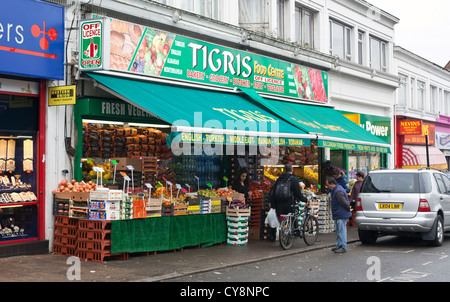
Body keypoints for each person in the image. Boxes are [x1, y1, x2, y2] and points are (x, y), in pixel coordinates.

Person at [327, 177, 352, 253]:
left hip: (341, 214)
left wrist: (348, 208)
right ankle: (339, 245)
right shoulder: (337, 189)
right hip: (340, 213)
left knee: (341, 231)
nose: (327, 187)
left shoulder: (337, 191)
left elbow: (343, 202)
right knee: (339, 231)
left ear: (332, 184)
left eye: (328, 185)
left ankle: (343, 246)